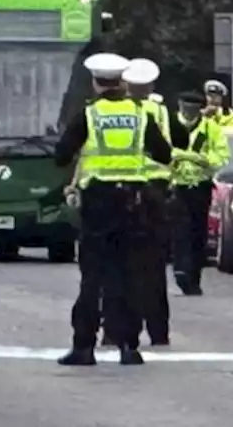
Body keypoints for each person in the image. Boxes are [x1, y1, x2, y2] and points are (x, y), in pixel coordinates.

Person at [54, 53, 173, 366]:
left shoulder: (89, 115)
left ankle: (84, 347)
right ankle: (129, 347)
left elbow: (61, 155)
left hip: (98, 203)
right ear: (122, 82)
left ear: (96, 83)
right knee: (129, 274)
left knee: (93, 276)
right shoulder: (139, 114)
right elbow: (163, 153)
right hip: (134, 201)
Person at [122, 57, 185, 347]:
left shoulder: (117, 111)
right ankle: (159, 332)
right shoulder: (162, 111)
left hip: (124, 192)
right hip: (158, 194)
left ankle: (121, 330)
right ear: (151, 85)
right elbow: (179, 142)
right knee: (155, 268)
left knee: (123, 266)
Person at [170, 91, 231, 296]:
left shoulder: (210, 128)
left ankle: (193, 277)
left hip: (200, 186)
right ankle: (181, 271)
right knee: (181, 231)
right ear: (179, 105)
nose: (189, 112)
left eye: (193, 108)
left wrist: (196, 158)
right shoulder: (169, 125)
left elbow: (222, 156)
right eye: (186, 107)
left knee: (198, 233)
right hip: (175, 186)